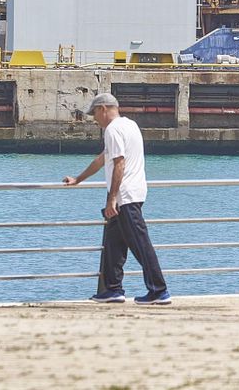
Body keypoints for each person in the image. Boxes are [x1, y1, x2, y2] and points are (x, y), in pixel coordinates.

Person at [61, 92, 170, 305]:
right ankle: (113, 289)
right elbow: (102, 159)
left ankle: (159, 290)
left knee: (140, 244)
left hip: (124, 197)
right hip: (131, 193)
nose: (95, 120)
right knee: (114, 245)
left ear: (103, 109)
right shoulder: (130, 125)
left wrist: (112, 199)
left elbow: (119, 163)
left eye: (94, 115)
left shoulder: (112, 129)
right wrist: (78, 179)